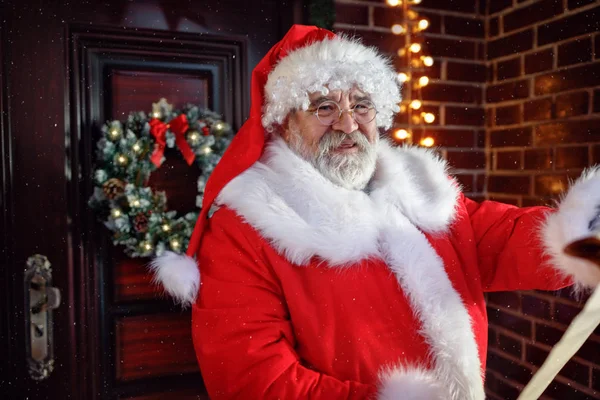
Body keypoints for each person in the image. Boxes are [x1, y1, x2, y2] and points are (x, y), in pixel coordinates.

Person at [150, 25, 600, 399]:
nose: (348, 124)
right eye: (325, 107)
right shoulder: (247, 224)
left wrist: (582, 232)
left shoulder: (420, 189)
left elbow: (496, 239)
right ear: (286, 121)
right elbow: (251, 379)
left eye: (361, 105)